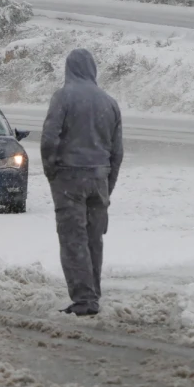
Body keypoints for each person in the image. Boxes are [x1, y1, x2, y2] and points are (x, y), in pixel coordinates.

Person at [41, 49, 123, 316]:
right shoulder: (109, 102)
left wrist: (51, 171)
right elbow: (117, 152)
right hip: (99, 178)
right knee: (93, 239)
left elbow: (49, 139)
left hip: (69, 178)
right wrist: (107, 184)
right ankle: (93, 292)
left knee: (73, 239)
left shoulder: (63, 97)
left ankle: (84, 299)